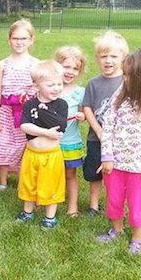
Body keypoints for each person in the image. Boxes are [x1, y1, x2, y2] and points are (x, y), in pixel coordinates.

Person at [97, 47, 141, 255]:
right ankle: (116, 230)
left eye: (129, 75)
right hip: (114, 164)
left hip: (139, 168)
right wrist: (107, 156)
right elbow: (108, 125)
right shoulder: (121, 95)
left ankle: (138, 239)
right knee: (114, 199)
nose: (125, 78)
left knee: (138, 204)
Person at [0, 19, 38, 191]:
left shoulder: (36, 64)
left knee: (24, 146)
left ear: (31, 40)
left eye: (23, 38)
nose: (19, 42)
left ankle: (25, 179)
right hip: (6, 113)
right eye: (15, 38)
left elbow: (39, 90)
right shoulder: (3, 64)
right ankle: (3, 181)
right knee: (4, 144)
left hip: (26, 113)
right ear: (9, 39)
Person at [81, 30, 129, 216]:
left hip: (121, 140)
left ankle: (117, 206)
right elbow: (87, 108)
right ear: (97, 58)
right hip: (96, 138)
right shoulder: (94, 83)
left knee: (117, 174)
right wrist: (99, 131)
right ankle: (93, 206)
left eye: (113, 56)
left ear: (123, 57)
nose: (108, 60)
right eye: (103, 56)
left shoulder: (128, 82)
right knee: (94, 174)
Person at [16, 60, 68, 229]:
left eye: (59, 84)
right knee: (28, 183)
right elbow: (24, 125)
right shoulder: (30, 104)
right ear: (37, 86)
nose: (56, 88)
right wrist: (45, 132)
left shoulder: (61, 104)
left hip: (51, 155)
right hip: (31, 154)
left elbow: (60, 125)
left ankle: (50, 217)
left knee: (51, 185)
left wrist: (41, 113)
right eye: (51, 84)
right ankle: (27, 212)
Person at [55, 46, 87, 217]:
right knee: (51, 173)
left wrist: (83, 116)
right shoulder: (51, 89)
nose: (70, 72)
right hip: (51, 142)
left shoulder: (80, 93)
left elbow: (85, 113)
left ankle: (72, 206)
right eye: (66, 67)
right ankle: (48, 200)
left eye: (75, 68)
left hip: (70, 142)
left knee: (70, 175)